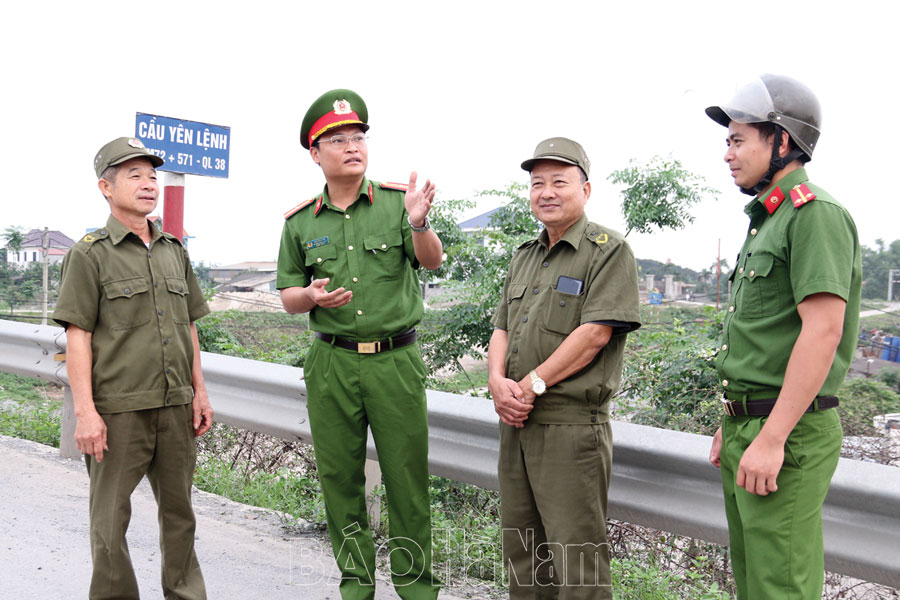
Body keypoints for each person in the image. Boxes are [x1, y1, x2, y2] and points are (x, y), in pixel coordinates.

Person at [277, 89, 443, 599]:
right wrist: (309, 296)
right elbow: (288, 295)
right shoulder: (300, 221)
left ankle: (416, 591)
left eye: (359, 138)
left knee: (407, 483)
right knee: (340, 483)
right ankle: (357, 588)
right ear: (315, 153)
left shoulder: (398, 203)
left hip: (395, 361)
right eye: (338, 140)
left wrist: (418, 222)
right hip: (332, 364)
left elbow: (432, 260)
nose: (353, 147)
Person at [706, 75, 862, 600]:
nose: (727, 153)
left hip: (786, 434)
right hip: (750, 427)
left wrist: (771, 437)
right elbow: (764, 336)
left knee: (781, 589)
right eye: (727, 140)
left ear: (782, 141)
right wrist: (733, 418)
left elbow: (822, 332)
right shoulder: (767, 221)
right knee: (754, 585)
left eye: (737, 139)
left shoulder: (814, 215)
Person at [53, 136, 213, 599]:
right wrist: (86, 412)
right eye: (134, 175)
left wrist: (198, 391)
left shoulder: (173, 250)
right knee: (109, 520)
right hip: (118, 409)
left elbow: (188, 327)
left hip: (175, 406)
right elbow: (77, 336)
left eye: (152, 175)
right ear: (106, 187)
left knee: (181, 515)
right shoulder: (89, 254)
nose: (148, 184)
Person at [488, 137, 641, 599]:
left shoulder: (608, 252)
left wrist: (532, 384)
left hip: (571, 429)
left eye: (560, 181)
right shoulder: (525, 256)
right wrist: (497, 383)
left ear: (586, 189)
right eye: (538, 183)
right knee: (523, 556)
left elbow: (594, 333)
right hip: (516, 421)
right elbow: (501, 330)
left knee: (577, 564)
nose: (547, 192)